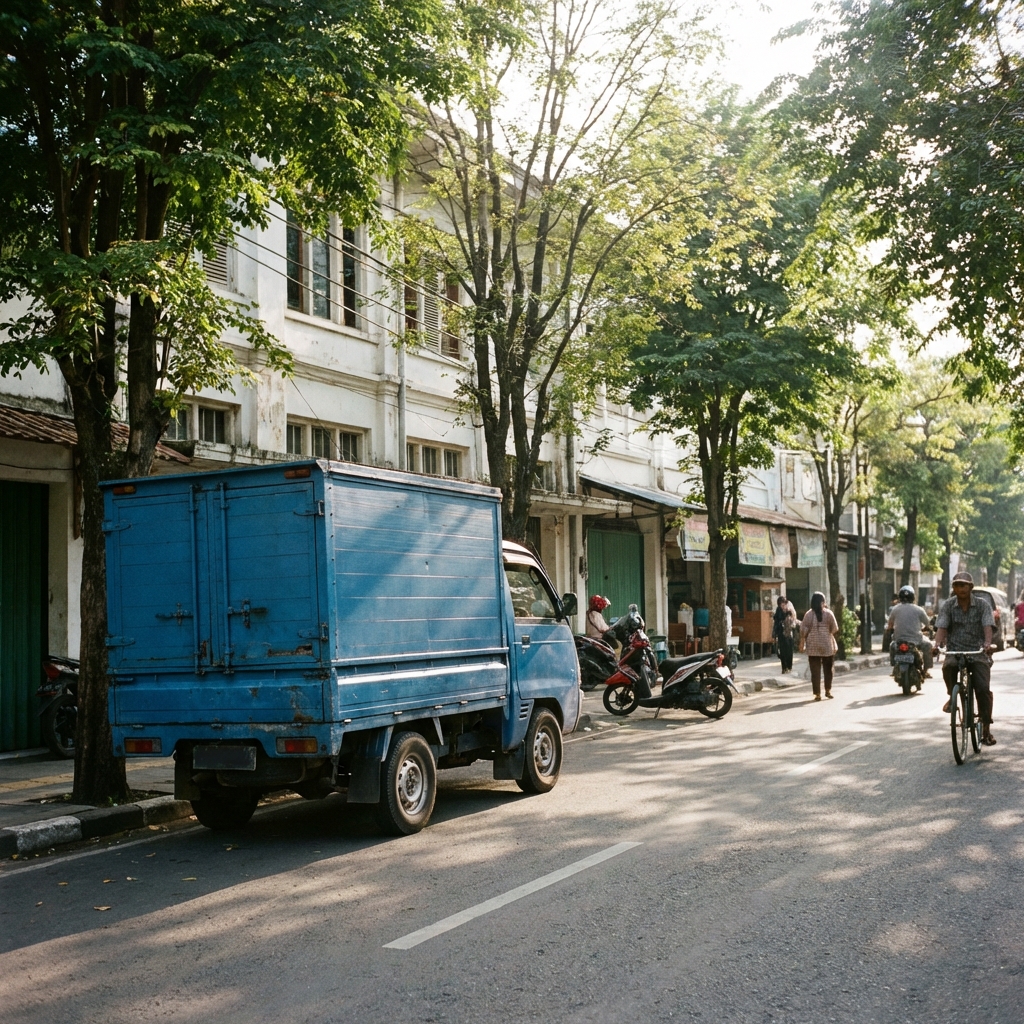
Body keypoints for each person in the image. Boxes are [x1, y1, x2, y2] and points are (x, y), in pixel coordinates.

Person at [935, 571, 996, 745]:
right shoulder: (948, 606)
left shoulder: (983, 605)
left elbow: (987, 626)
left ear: (970, 587)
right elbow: (942, 627)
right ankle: (952, 695)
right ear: (953, 588)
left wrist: (987, 644)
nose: (960, 588)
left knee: (982, 689)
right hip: (956, 650)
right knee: (947, 667)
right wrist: (936, 645)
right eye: (956, 585)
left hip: (978, 652)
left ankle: (986, 729)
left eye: (963, 585)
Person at [885, 585, 933, 676]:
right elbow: (928, 623)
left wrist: (890, 630)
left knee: (892, 646)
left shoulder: (895, 609)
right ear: (913, 597)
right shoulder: (919, 610)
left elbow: (890, 625)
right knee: (928, 645)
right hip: (916, 640)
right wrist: (928, 628)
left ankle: (894, 668)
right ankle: (925, 670)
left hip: (899, 640)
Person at [800, 591, 839, 700]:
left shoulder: (808, 614)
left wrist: (804, 638)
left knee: (815, 671)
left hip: (813, 646)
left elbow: (803, 629)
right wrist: (826, 631)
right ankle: (828, 690)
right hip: (827, 645)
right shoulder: (829, 613)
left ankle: (817, 693)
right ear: (822, 602)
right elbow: (835, 628)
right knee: (828, 669)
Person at [772, 595, 797, 673]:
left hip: (790, 633)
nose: (783, 606)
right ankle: (784, 668)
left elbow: (794, 621)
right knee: (783, 651)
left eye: (783, 604)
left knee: (789, 651)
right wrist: (774, 634)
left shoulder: (790, 610)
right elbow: (777, 621)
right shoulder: (778, 611)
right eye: (781, 605)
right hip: (781, 633)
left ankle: (789, 667)